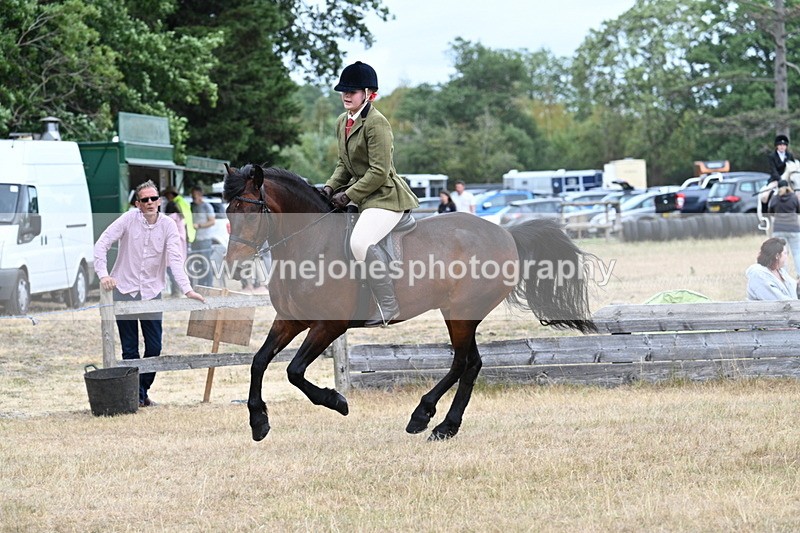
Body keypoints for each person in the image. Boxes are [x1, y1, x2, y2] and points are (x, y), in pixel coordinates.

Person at [322, 61, 419, 327]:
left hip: (385, 197)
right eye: (343, 91)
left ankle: (389, 306)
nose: (345, 95)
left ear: (368, 93)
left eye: (351, 91)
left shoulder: (377, 123)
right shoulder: (343, 121)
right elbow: (344, 164)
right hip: (363, 196)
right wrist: (330, 187)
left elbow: (378, 171)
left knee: (360, 243)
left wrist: (348, 194)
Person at [94, 180, 205, 406]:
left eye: (154, 198)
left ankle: (140, 392)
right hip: (123, 290)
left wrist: (187, 289)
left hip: (152, 292)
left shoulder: (168, 225)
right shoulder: (127, 219)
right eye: (145, 200)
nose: (151, 203)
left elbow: (175, 259)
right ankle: (134, 397)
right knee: (130, 349)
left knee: (154, 347)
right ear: (138, 204)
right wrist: (103, 275)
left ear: (160, 201)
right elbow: (102, 243)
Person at [767, 179, 800, 274]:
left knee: (781, 254)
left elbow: (771, 212)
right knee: (797, 252)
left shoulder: (775, 198)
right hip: (794, 229)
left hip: (779, 229)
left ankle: (784, 276)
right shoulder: (794, 197)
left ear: (778, 188)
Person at [190, 185, 216, 288]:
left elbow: (212, 221)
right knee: (198, 264)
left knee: (206, 264)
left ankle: (209, 285)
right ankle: (201, 285)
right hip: (195, 240)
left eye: (194, 196)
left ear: (200, 195)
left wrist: (199, 225)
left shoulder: (207, 206)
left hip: (205, 239)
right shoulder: (192, 206)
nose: (193, 198)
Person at [165, 200, 187, 296]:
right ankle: (180, 290)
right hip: (180, 246)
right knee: (177, 269)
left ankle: (177, 291)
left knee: (171, 270)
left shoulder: (171, 217)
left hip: (173, 246)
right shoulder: (180, 217)